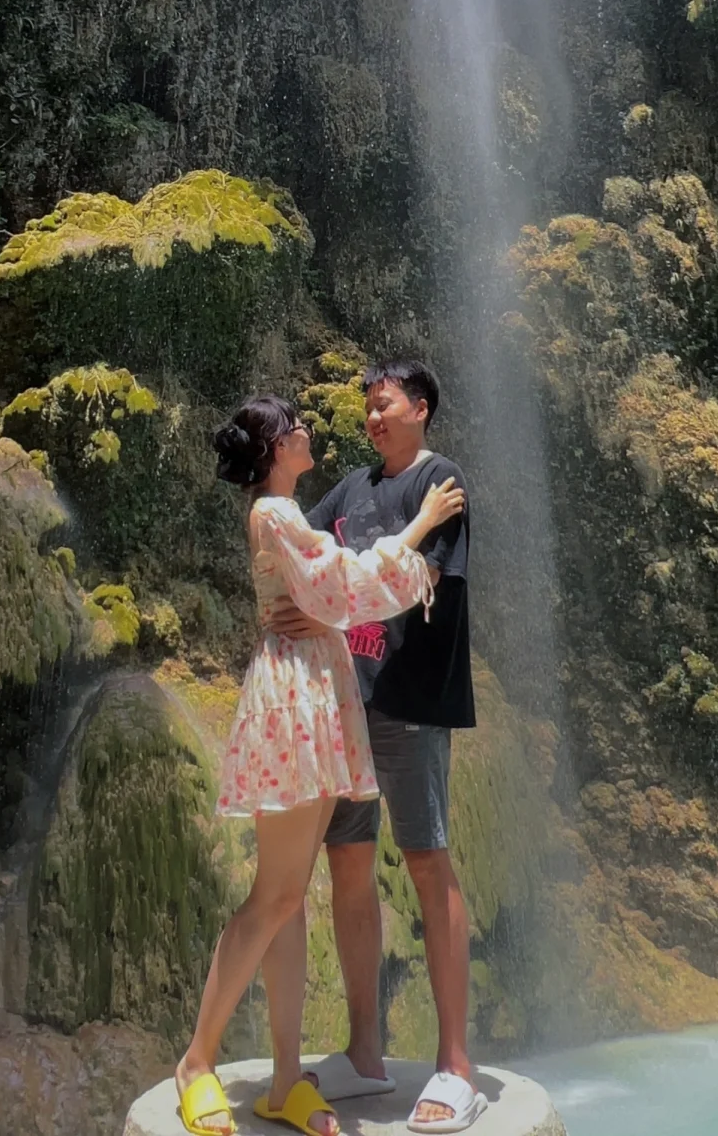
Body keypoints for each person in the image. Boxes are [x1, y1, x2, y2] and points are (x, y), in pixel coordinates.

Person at [174, 394, 465, 1136]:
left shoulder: (288, 512)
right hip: (293, 700)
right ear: (273, 446)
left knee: (289, 897)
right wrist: (424, 524)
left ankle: (282, 1080)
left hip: (312, 692)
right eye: (292, 422)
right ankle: (196, 1062)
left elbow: (332, 594)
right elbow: (345, 585)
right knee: (273, 897)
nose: (307, 426)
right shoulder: (273, 513)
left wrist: (330, 606)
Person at [269, 359, 484, 1135]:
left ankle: (456, 1065)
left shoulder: (441, 481)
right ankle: (365, 1053)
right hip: (344, 704)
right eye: (366, 405)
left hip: (408, 702)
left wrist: (323, 606)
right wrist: (297, 598)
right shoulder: (352, 488)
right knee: (348, 866)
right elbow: (305, 554)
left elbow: (413, 580)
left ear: (420, 406)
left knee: (427, 859)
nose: (372, 415)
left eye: (385, 401)